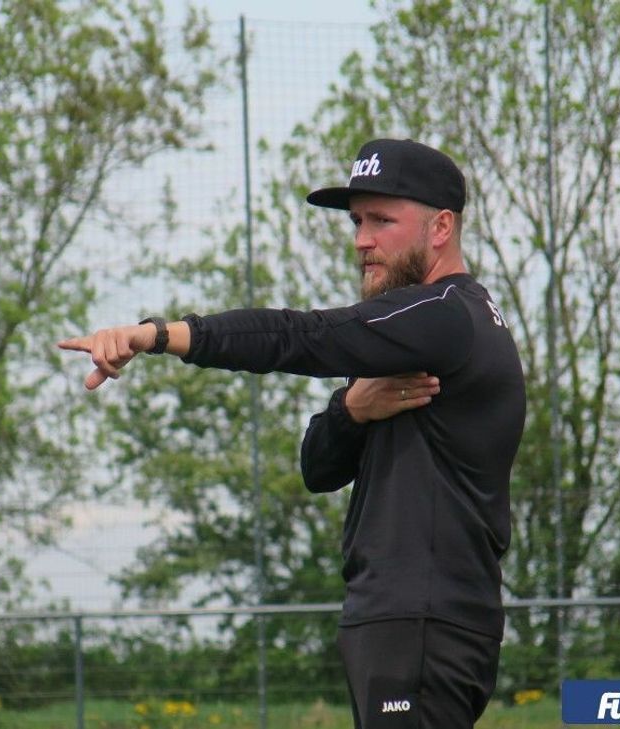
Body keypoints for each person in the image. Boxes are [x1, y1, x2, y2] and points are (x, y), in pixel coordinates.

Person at [59, 138, 526, 729]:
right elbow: (319, 467)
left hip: (422, 617)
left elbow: (301, 336)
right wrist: (352, 411)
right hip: (404, 617)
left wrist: (157, 335)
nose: (362, 240)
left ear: (441, 227)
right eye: (357, 221)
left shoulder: (444, 314)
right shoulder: (414, 332)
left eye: (381, 220)